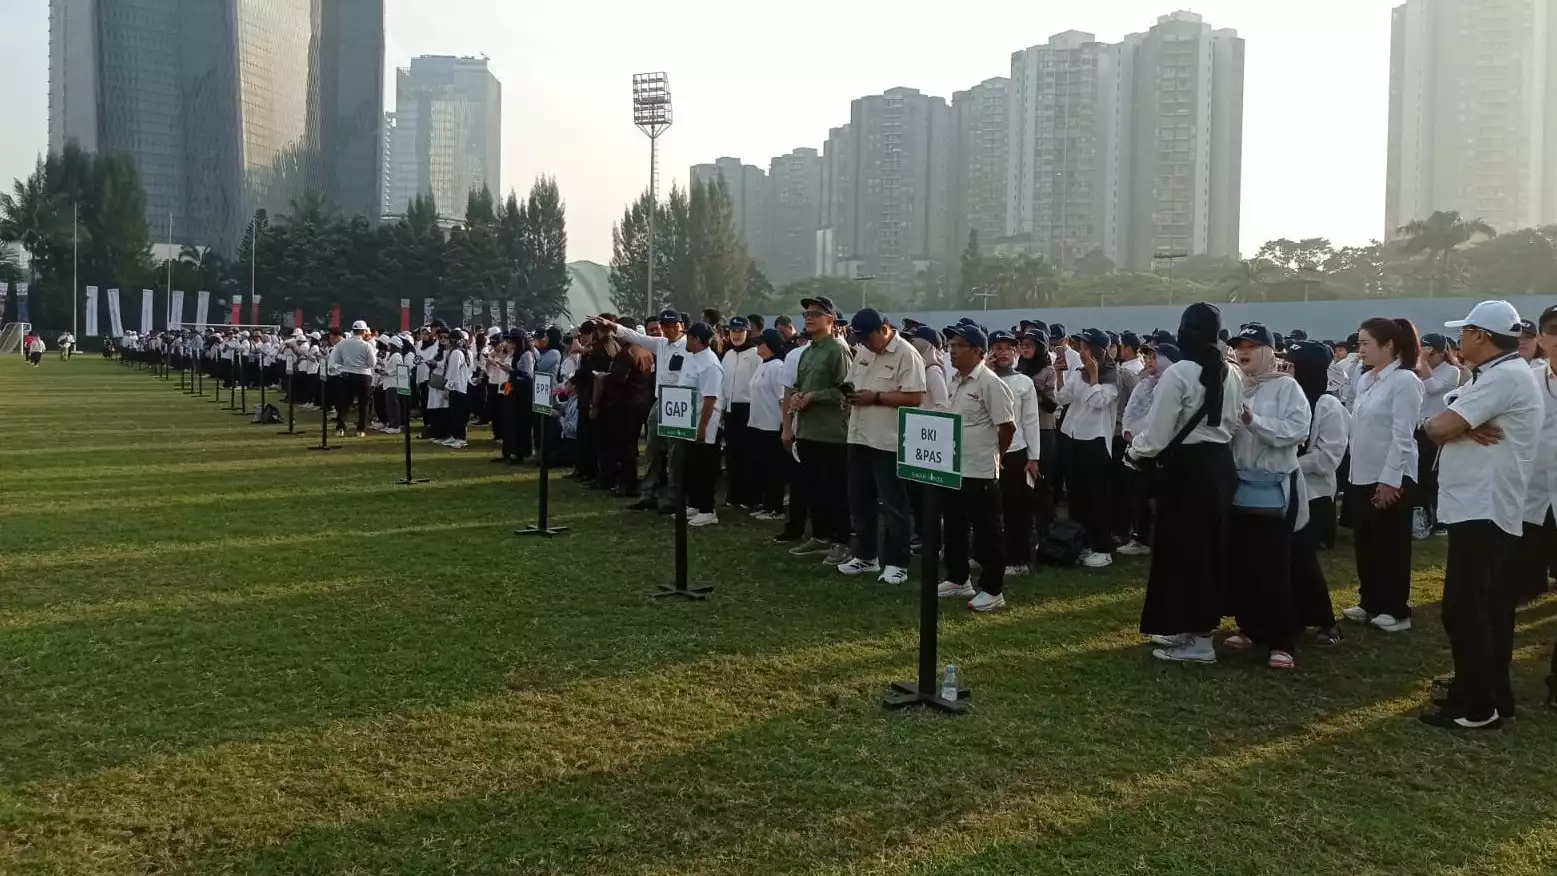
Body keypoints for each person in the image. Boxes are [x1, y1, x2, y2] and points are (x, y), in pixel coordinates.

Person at [1420, 300, 1544, 730]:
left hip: (1484, 507)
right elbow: (1441, 419)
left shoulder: (1504, 377)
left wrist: (1456, 424)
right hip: (1480, 506)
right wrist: (1461, 423)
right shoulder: (1497, 374)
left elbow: (1437, 427)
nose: (1459, 340)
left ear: (1482, 336)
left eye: (1464, 332)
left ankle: (1478, 704)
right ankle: (1488, 694)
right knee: (1485, 608)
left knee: (1467, 609)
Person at [1131, 303, 1244, 664]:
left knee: (1187, 553)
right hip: (1219, 466)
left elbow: (1157, 435)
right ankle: (1189, 627)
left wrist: (1135, 451)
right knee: (1207, 551)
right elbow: (1234, 423)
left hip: (1187, 471)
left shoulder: (1179, 372)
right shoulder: (1233, 372)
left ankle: (1200, 639)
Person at [1221, 324, 1311, 670]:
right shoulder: (1234, 384)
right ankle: (1249, 627)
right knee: (1243, 561)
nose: (1243, 352)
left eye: (1252, 346)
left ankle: (1281, 640)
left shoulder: (1287, 387)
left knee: (1274, 564)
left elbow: (1295, 432)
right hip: (1240, 483)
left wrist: (1252, 420)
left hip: (1275, 486)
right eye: (1240, 346)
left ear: (1269, 352)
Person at [1343, 317, 1424, 633]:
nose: (1360, 350)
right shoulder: (1367, 379)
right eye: (1359, 343)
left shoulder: (1404, 381)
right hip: (1362, 474)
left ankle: (1395, 609)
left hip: (1391, 476)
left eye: (1366, 343)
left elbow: (1402, 435)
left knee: (1391, 545)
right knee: (1367, 542)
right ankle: (1370, 601)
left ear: (1388, 345)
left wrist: (1391, 480)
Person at [839, 309, 925, 584]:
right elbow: (854, 382)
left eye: (868, 337)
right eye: (860, 338)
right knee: (860, 500)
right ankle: (866, 556)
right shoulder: (863, 352)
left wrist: (875, 397)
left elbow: (915, 397)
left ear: (884, 329)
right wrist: (849, 397)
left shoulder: (907, 354)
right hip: (859, 436)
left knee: (894, 505)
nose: (864, 343)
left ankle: (897, 563)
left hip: (889, 441)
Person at [936, 323, 1016, 612]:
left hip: (980, 468)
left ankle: (993, 590)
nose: (952, 350)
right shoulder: (956, 380)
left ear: (978, 351)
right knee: (953, 526)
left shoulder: (990, 382)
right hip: (954, 466)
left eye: (959, 345)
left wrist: (996, 455)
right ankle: (958, 579)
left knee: (987, 531)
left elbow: (1007, 427)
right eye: (951, 345)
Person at [785, 296, 854, 566]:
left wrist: (814, 396)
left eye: (815, 313)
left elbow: (846, 391)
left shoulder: (838, 350)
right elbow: (800, 385)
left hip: (831, 432)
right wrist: (797, 397)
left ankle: (842, 542)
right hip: (808, 430)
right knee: (814, 489)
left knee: (836, 490)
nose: (809, 318)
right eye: (806, 314)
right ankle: (820, 536)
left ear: (830, 319)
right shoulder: (808, 351)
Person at [1055, 328, 1121, 568]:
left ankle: (1102, 548)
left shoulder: (1112, 375)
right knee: (1077, 495)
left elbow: (1098, 401)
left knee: (1097, 498)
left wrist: (1094, 375)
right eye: (1080, 348)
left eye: (1085, 348)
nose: (1081, 353)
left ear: (1098, 351)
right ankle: (1079, 543)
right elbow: (1062, 398)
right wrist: (1059, 373)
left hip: (1095, 441)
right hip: (1073, 437)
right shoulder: (1078, 373)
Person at [609, 310, 687, 514]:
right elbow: (635, 336)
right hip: (660, 401)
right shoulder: (661, 344)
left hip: (680, 402)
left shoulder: (690, 346)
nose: (669, 330)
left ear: (682, 326)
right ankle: (648, 494)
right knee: (652, 450)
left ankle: (673, 497)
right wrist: (613, 326)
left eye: (674, 325)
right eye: (665, 326)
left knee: (675, 453)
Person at [990, 330, 1042, 576]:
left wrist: (1034, 457)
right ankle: (987, 554)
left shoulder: (1024, 382)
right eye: (997, 348)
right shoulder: (981, 378)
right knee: (987, 508)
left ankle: (1017, 559)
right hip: (986, 450)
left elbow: (1030, 421)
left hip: (1015, 451)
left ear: (1016, 352)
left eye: (1008, 348)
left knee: (1016, 508)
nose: (1003, 353)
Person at [1519, 304, 1557, 604]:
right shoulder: (1529, 379)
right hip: (1534, 481)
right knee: (1531, 540)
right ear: (1542, 339)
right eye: (1554, 331)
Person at [677, 322, 726, 526]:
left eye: (688, 337)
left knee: (705, 468)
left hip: (705, 424)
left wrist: (702, 428)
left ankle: (708, 510)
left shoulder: (710, 364)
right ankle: (695, 504)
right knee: (692, 466)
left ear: (696, 339)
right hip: (689, 420)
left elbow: (710, 399)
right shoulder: (692, 357)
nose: (686, 340)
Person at [1414, 332, 1462, 537]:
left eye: (1430, 353)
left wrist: (1423, 362)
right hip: (1418, 427)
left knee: (1433, 476)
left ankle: (1439, 520)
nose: (1426, 357)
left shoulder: (1452, 371)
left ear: (1442, 353)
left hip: (1437, 429)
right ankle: (1423, 516)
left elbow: (1432, 387)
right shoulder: (1419, 368)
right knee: (1419, 475)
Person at [747, 328, 790, 520]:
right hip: (758, 425)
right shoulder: (763, 364)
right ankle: (766, 505)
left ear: (770, 345)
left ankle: (776, 508)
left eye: (761, 343)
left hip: (772, 426)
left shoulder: (777, 367)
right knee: (761, 467)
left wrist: (785, 426)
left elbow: (783, 399)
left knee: (774, 468)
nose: (758, 346)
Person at [718, 316, 761, 509]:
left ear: (747, 332)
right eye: (733, 331)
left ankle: (750, 497)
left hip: (748, 409)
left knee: (748, 455)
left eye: (739, 331)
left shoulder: (755, 354)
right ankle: (734, 494)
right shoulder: (728, 355)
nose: (736, 335)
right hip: (730, 410)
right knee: (732, 454)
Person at [328, 320, 376, 437]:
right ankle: (361, 430)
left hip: (346, 375)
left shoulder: (342, 344)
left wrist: (344, 367)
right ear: (363, 331)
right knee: (363, 404)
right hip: (363, 376)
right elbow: (372, 363)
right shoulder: (366, 345)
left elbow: (334, 361)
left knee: (343, 403)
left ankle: (340, 428)